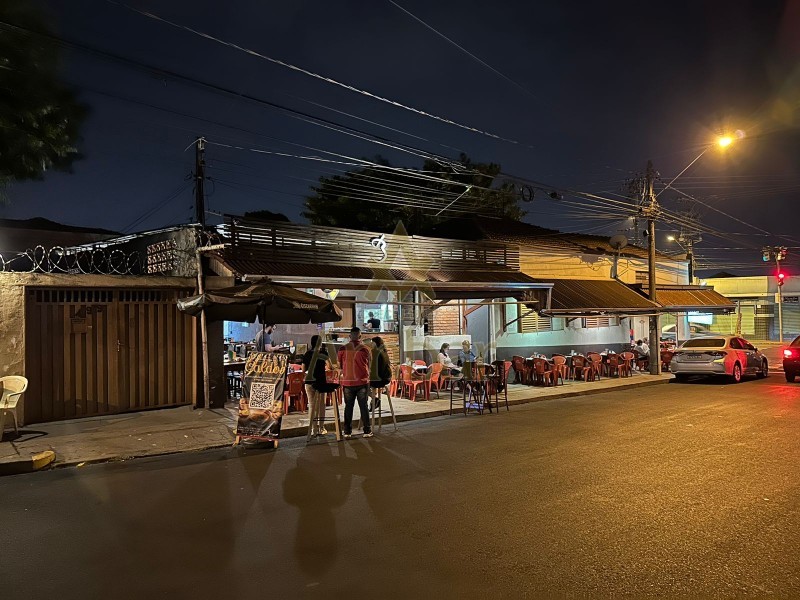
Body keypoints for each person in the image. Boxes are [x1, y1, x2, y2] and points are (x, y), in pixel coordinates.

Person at [337, 327, 373, 439]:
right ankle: (367, 431)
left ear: (349, 336)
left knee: (348, 407)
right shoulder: (365, 349)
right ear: (360, 336)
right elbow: (370, 365)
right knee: (364, 406)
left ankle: (347, 432)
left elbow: (339, 366)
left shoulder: (342, 349)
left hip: (348, 382)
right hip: (362, 381)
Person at [302, 335, 331, 436]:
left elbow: (303, 369)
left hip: (309, 382)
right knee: (321, 405)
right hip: (321, 382)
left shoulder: (307, 354)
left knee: (312, 406)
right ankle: (321, 427)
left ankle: (313, 429)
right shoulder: (323, 353)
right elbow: (329, 365)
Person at [369, 336, 392, 411]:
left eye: (372, 342)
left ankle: (374, 399)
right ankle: (374, 400)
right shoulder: (384, 351)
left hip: (380, 379)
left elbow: (375, 369)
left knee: (361, 386)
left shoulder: (376, 353)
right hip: (386, 378)